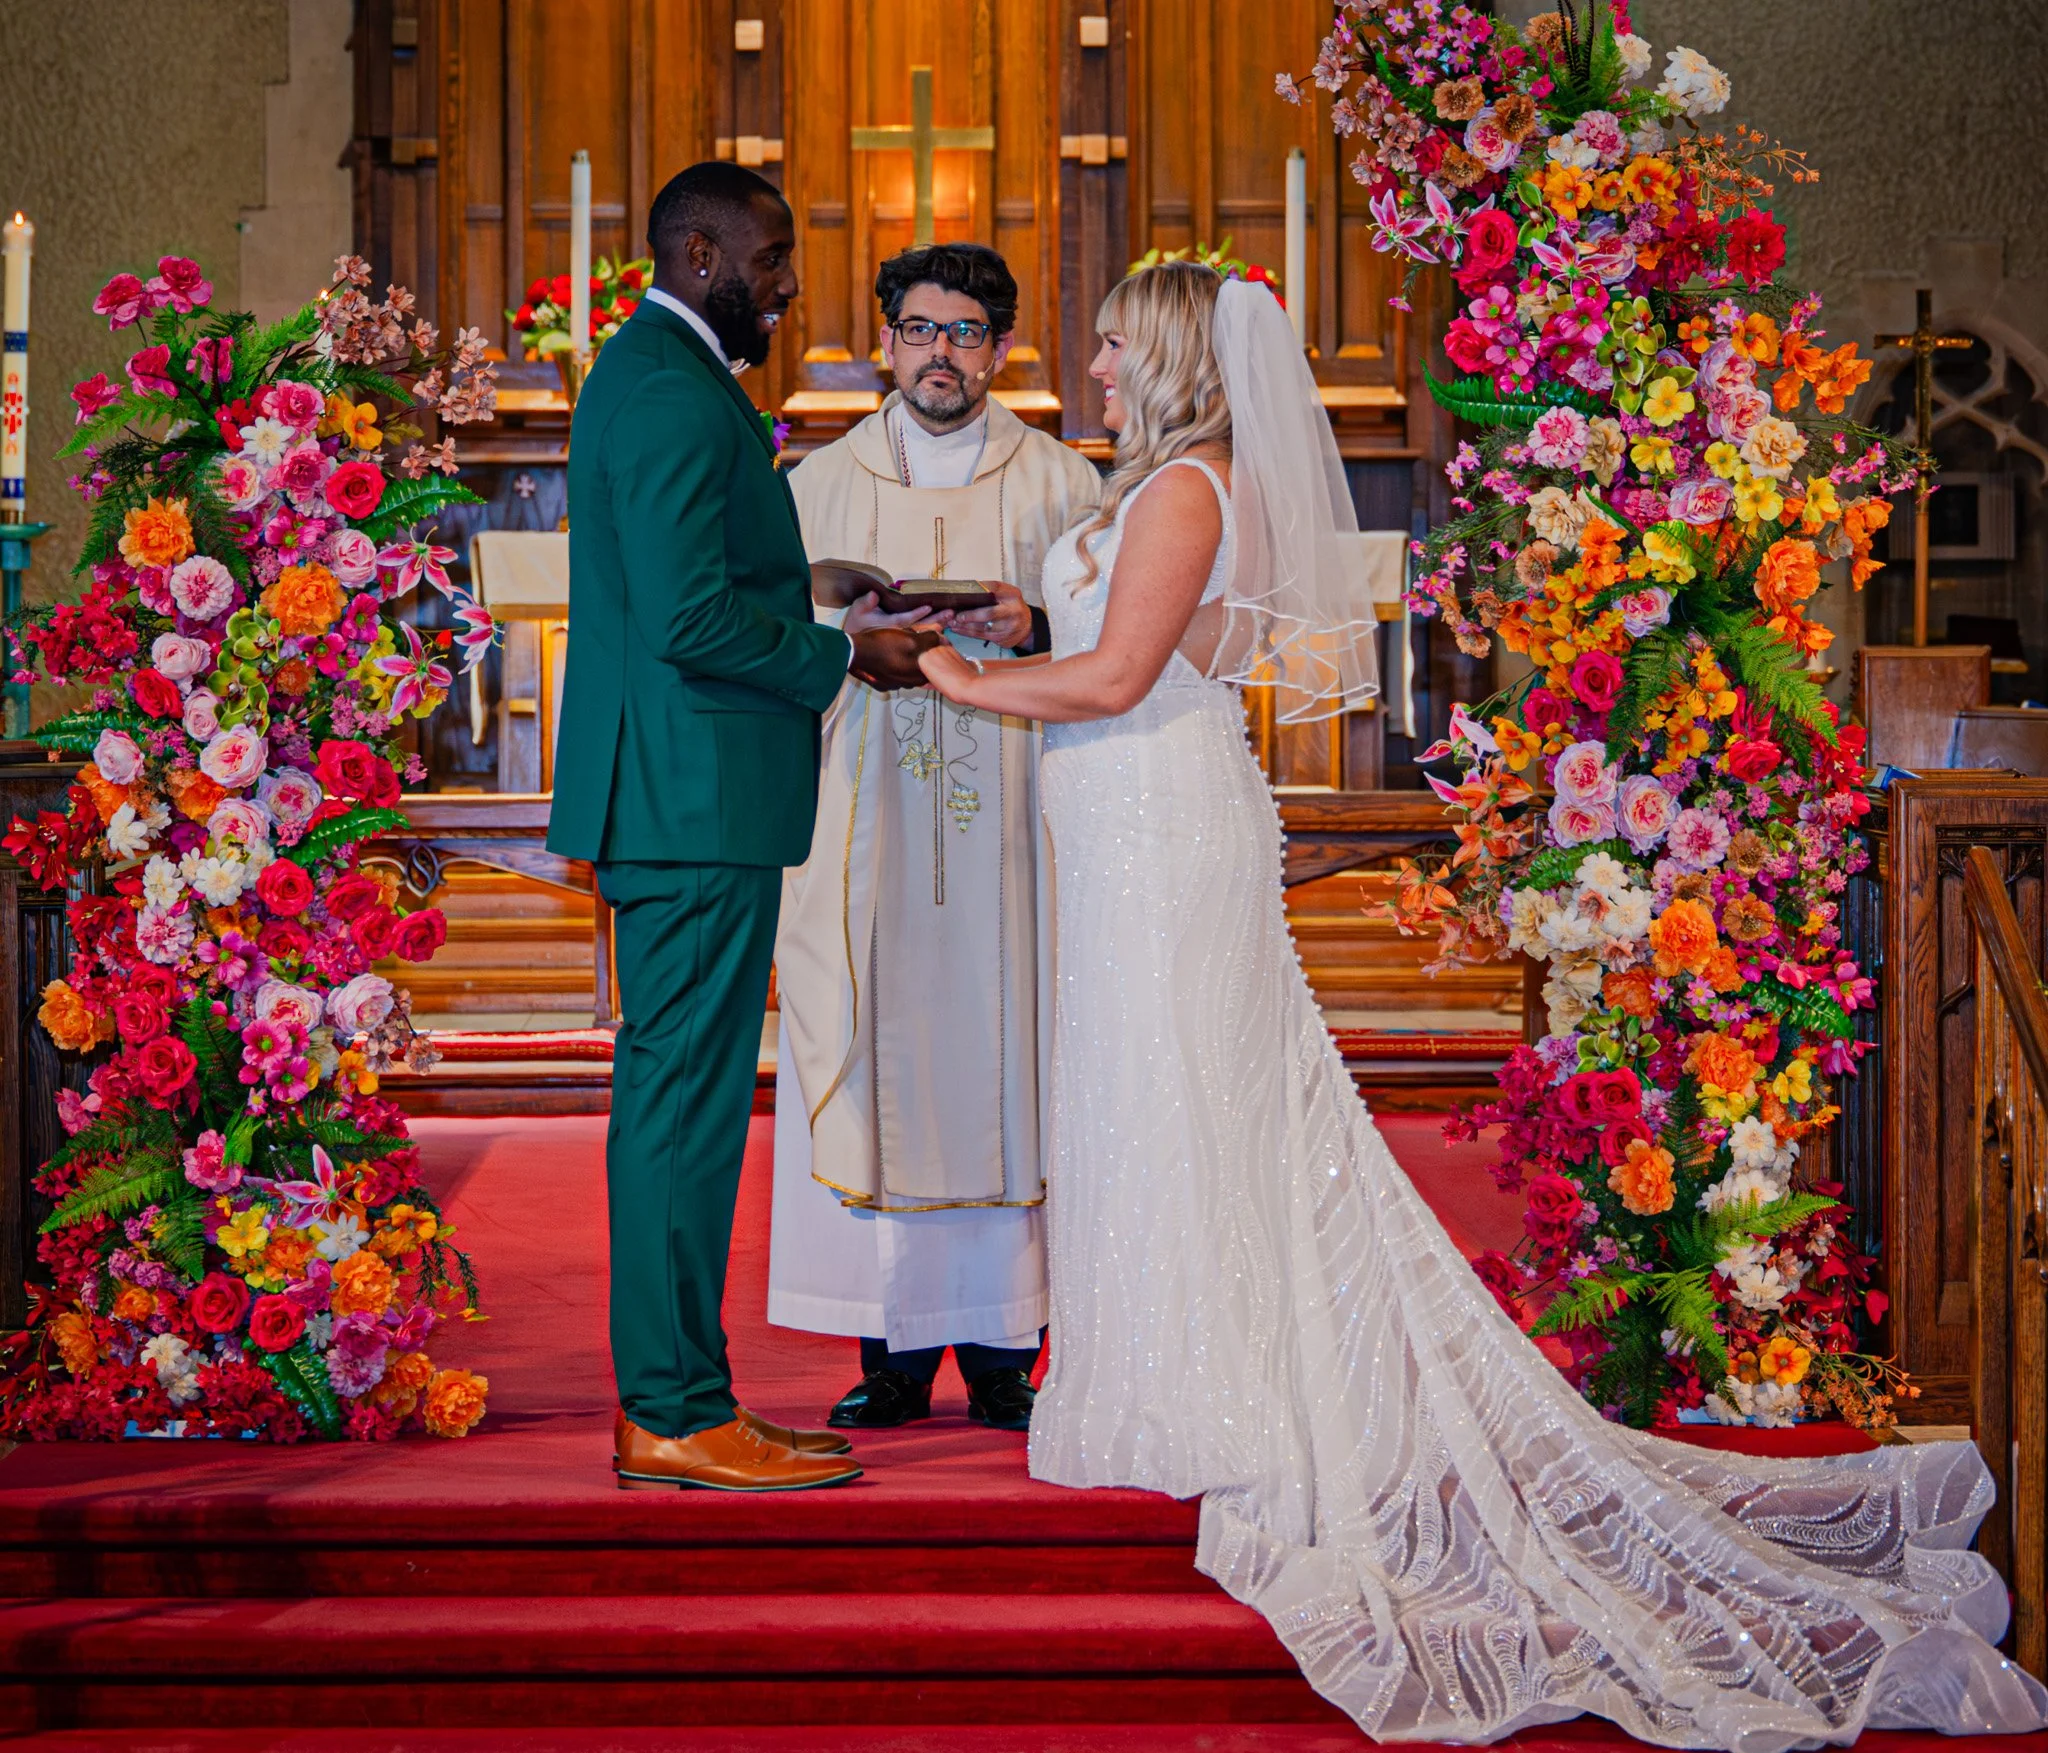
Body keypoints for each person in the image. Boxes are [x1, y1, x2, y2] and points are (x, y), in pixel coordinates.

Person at [915, 261, 2048, 1744]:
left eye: (1119, 346)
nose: (1100, 367)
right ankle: (1164, 1373)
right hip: (1127, 832)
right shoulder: (1168, 487)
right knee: (1149, 1103)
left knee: (1183, 1100)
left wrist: (942, 672)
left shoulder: (1188, 488)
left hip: (1153, 824)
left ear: (1182, 356)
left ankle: (1212, 1398)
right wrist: (1007, 616)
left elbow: (1123, 674)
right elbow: (1125, 632)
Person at [546, 161, 935, 1492]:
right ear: (703, 254)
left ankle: (681, 1396)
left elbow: (706, 577)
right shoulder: (664, 383)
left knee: (684, 1102)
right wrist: (841, 657)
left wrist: (808, 581)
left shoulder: (665, 373)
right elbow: (685, 622)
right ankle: (671, 1405)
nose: (787, 286)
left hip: (687, 788)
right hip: (687, 795)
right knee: (682, 1111)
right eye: (771, 260)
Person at [770, 244, 1102, 1432]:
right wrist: (839, 626)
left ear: (1001, 347)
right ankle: (891, 1354)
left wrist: (1040, 616)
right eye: (919, 330)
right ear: (883, 343)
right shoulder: (815, 488)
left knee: (1013, 1054)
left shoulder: (1065, 483)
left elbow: (1123, 638)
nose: (940, 354)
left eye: (965, 333)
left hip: (1016, 825)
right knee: (873, 1047)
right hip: (861, 806)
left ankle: (1009, 1353)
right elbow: (764, 640)